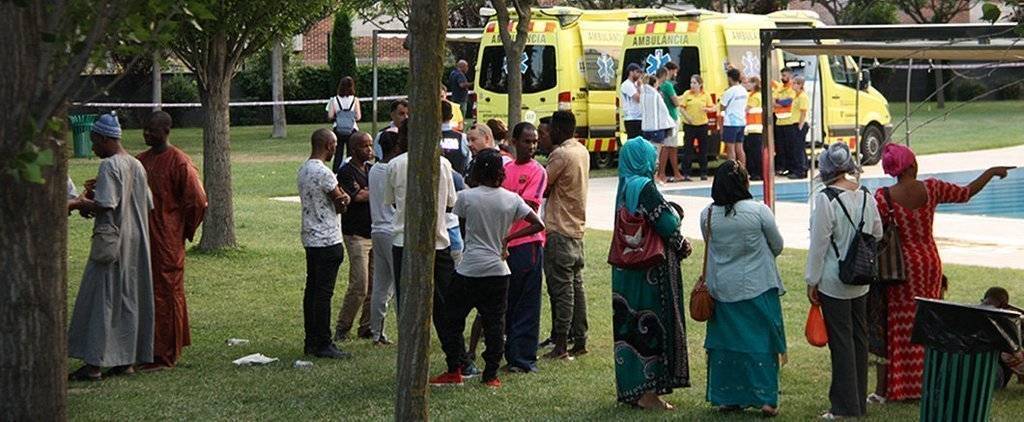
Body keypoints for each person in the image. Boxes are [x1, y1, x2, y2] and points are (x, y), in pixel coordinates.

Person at [871, 143, 1014, 402]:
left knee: (901, 323)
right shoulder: (932, 188)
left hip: (901, 267)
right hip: (930, 263)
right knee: (930, 322)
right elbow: (966, 192)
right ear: (912, 165)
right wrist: (990, 172)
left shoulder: (884, 196)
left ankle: (903, 387)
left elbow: (875, 231)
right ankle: (930, 382)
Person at [429, 150, 545, 388]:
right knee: (495, 324)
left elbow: (461, 228)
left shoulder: (466, 197)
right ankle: (490, 375)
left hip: (470, 268)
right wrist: (508, 238)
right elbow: (538, 224)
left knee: (451, 319)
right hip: (498, 271)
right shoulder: (512, 199)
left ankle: (455, 368)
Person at [67, 113, 156, 381]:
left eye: (95, 142)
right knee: (127, 298)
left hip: (112, 241)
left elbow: (107, 204)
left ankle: (94, 364)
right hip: (136, 240)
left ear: (107, 139)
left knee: (102, 298)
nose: (93, 148)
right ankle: (125, 361)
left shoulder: (110, 165)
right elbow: (147, 202)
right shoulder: (136, 165)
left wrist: (77, 203)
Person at [611, 137, 692, 410]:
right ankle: (649, 394)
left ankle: (634, 389)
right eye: (652, 155)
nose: (656, 160)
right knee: (651, 324)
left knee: (629, 327)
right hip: (649, 273)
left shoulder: (624, 187)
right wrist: (681, 239)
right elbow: (665, 222)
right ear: (643, 159)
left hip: (626, 272)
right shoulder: (645, 187)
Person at [701, 160, 785, 416]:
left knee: (726, 345)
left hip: (722, 289)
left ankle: (728, 397)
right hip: (758, 286)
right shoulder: (759, 212)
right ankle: (766, 399)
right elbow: (777, 245)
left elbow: (710, 243)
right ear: (745, 183)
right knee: (762, 343)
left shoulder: (708, 214)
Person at [805, 143, 883, 419]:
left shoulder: (826, 200)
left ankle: (844, 406)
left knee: (841, 344)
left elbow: (819, 246)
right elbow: (877, 232)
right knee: (859, 340)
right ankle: (858, 402)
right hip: (860, 278)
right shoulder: (865, 195)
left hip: (833, 280)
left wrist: (811, 281)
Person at [384, 120, 460, 365]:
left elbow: (393, 202)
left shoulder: (394, 165)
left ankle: (411, 360)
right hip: (438, 241)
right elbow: (450, 202)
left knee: (407, 306)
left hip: (403, 243)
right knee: (446, 306)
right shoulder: (444, 164)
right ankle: (457, 359)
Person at [136, 111, 208, 371]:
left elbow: (198, 201)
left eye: (151, 130)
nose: (146, 134)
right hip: (143, 239)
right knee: (145, 291)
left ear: (166, 131)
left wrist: (182, 229)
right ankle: (146, 348)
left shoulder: (179, 162)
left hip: (167, 239)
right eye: (144, 129)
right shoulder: (140, 161)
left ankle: (166, 354)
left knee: (167, 293)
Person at [297, 128, 353, 359]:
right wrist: (345, 199)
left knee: (312, 290)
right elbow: (339, 202)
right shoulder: (325, 173)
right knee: (323, 294)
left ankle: (311, 339)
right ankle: (323, 342)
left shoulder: (303, 169)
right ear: (329, 145)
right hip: (328, 238)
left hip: (310, 236)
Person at [542, 110, 590, 359]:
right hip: (576, 228)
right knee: (576, 286)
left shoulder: (560, 154)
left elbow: (543, 186)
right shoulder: (581, 150)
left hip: (559, 228)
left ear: (558, 131)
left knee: (561, 290)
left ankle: (561, 343)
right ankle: (580, 339)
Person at [502, 122, 548, 373]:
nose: (531, 146)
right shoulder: (507, 168)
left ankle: (523, 358)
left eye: (534, 142)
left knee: (527, 303)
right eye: (526, 141)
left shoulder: (538, 171)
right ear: (514, 141)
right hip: (505, 242)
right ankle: (509, 351)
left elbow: (529, 206)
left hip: (527, 242)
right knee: (509, 299)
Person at [334, 132, 375, 342]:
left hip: (374, 232)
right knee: (359, 283)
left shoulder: (370, 169)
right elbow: (357, 196)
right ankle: (343, 327)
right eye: (364, 146)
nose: (369, 149)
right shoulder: (346, 172)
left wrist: (370, 190)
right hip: (356, 235)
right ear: (353, 149)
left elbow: (373, 192)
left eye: (370, 145)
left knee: (374, 285)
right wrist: (370, 191)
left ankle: (366, 326)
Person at [367, 131, 400, 346]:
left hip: (377, 229)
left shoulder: (373, 170)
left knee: (380, 284)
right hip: (392, 231)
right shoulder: (392, 170)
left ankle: (376, 332)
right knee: (399, 285)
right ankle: (404, 328)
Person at [980, 287, 1024, 389]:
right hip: (994, 378)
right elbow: (1015, 352)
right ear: (1004, 305)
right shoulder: (1003, 322)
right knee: (1010, 353)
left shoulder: (971, 313)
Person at [642, 70, 677, 184]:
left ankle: (648, 175)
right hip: (657, 128)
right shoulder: (656, 95)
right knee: (656, 154)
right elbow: (663, 111)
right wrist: (670, 123)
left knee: (647, 153)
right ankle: (655, 177)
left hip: (646, 127)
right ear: (655, 84)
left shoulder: (643, 94)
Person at [680, 74, 715, 181]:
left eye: (695, 83)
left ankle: (704, 172)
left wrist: (708, 110)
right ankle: (686, 173)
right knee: (688, 149)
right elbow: (681, 108)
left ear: (700, 84)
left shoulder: (705, 95)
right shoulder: (687, 94)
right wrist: (687, 117)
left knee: (703, 149)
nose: (692, 85)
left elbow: (713, 107)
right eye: (691, 82)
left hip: (702, 125)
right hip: (689, 125)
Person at [327, 76, 362, 169]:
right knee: (351, 153)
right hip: (352, 129)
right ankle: (351, 169)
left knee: (338, 153)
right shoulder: (355, 100)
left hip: (338, 129)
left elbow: (330, 116)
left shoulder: (334, 100)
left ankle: (336, 171)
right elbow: (358, 117)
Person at [781, 75, 810, 180]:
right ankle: (799, 168)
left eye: (794, 83)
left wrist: (800, 126)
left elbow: (803, 112)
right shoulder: (796, 96)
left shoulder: (802, 96)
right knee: (796, 148)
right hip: (794, 123)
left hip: (799, 124)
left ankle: (800, 171)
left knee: (798, 148)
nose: (792, 85)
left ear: (800, 85)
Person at [661, 63, 685, 182]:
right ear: (670, 71)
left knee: (672, 147)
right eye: (675, 72)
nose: (675, 74)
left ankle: (676, 172)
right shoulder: (668, 85)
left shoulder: (662, 85)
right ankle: (662, 173)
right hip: (671, 118)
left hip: (668, 118)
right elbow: (675, 102)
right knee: (667, 146)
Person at [720, 68, 748, 166]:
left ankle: (732, 170)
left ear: (730, 78)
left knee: (730, 149)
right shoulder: (743, 90)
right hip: (741, 122)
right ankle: (742, 169)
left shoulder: (729, 91)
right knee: (740, 148)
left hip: (731, 123)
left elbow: (722, 107)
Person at [772, 68, 795, 177]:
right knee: (780, 148)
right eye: (782, 75)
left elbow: (788, 102)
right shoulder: (779, 88)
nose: (782, 78)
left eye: (785, 76)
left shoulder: (793, 87)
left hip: (790, 122)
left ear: (790, 76)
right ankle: (782, 167)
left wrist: (779, 102)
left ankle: (790, 168)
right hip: (779, 121)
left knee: (790, 147)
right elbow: (773, 101)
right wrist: (779, 103)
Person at [743, 76, 765, 181]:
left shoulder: (755, 96)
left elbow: (746, 109)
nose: (747, 85)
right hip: (751, 128)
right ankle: (755, 172)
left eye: (749, 83)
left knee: (755, 153)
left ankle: (758, 173)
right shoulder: (752, 95)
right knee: (752, 152)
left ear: (754, 84)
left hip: (755, 128)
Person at [441, 100, 471, 176]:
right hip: (457, 183)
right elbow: (468, 161)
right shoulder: (462, 138)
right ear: (451, 116)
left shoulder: (426, 140)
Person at [620, 63, 644, 139]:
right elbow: (638, 99)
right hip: (631, 118)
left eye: (640, 72)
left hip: (639, 117)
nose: (639, 75)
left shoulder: (637, 84)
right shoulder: (627, 85)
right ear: (631, 72)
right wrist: (639, 88)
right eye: (637, 72)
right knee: (634, 141)